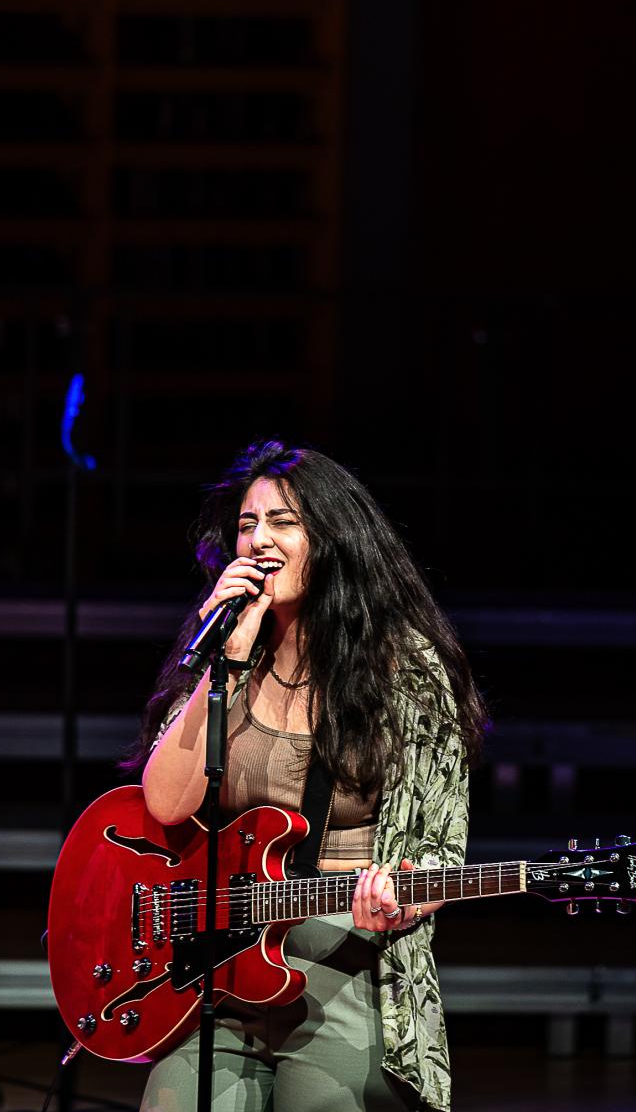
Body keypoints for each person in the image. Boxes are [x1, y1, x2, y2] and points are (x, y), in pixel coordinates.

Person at [124, 439, 486, 1112]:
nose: (259, 539)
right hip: (220, 969)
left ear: (333, 538)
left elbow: (438, 848)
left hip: (340, 966)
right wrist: (223, 665)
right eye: (246, 524)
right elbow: (167, 802)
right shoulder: (230, 650)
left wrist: (403, 893)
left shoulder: (404, 669)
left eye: (283, 522)